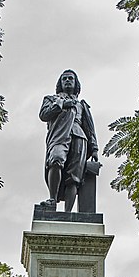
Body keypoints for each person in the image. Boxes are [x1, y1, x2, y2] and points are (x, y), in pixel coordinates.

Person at [39, 70, 98, 212]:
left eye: (71, 78)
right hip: (59, 136)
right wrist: (60, 105)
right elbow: (43, 115)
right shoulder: (51, 99)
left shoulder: (81, 105)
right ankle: (52, 200)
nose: (67, 80)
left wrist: (94, 148)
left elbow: (89, 127)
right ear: (60, 83)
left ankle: (68, 213)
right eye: (64, 78)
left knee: (74, 177)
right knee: (56, 159)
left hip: (79, 138)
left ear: (76, 83)